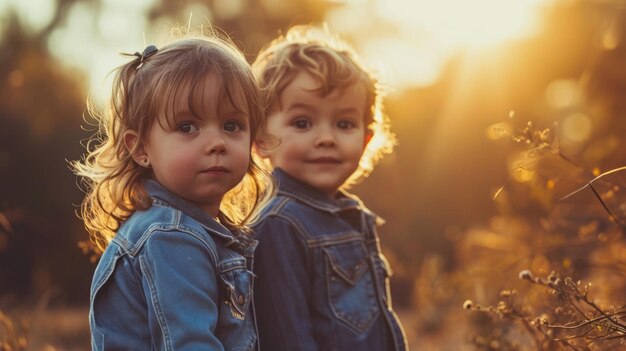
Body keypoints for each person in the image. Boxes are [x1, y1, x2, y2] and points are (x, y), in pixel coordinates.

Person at [73, 31, 272, 350]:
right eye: (187, 127)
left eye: (232, 125)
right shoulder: (172, 236)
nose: (217, 142)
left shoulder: (191, 229)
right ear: (140, 148)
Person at [251, 25, 408, 350]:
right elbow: (287, 336)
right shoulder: (279, 225)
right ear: (262, 139)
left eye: (344, 124)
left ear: (366, 139)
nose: (326, 138)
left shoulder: (352, 216)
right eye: (302, 123)